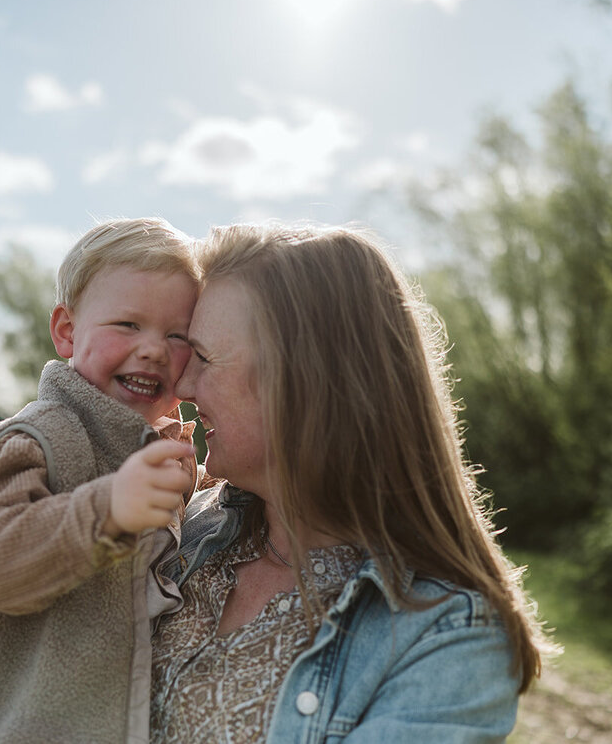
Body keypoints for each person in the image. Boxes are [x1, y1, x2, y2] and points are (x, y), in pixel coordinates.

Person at [150, 223, 552, 743]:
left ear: (303, 380)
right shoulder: (180, 531)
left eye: (204, 358)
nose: (182, 385)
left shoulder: (446, 637)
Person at [0, 218, 200, 744]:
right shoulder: (35, 438)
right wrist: (108, 509)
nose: (153, 349)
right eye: (128, 325)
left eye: (176, 335)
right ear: (66, 331)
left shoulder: (158, 451)